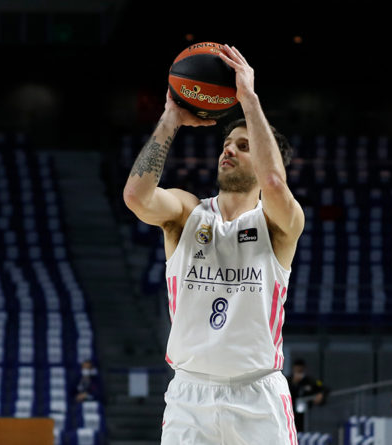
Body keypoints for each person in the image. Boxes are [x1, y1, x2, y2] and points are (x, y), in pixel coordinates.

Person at [123, 44, 303, 445]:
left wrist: (248, 99)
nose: (229, 149)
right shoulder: (188, 214)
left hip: (258, 396)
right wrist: (170, 118)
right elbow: (136, 197)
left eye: (244, 145)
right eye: (228, 143)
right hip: (190, 396)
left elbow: (274, 184)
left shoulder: (279, 225)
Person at [286, 359, 329, 432]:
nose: (299, 372)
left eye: (301, 370)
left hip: (306, 414)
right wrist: (294, 383)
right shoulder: (288, 380)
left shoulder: (310, 381)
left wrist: (320, 394)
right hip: (290, 411)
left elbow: (324, 387)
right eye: (297, 370)